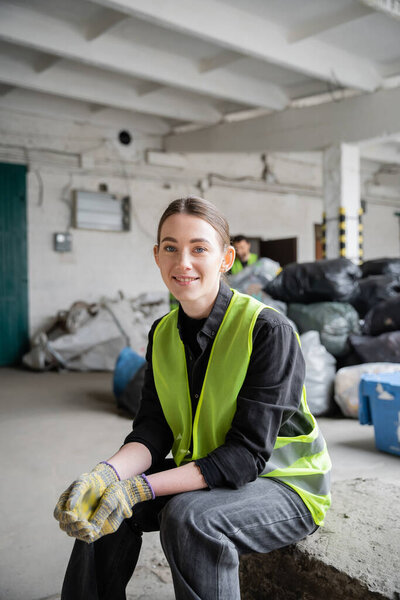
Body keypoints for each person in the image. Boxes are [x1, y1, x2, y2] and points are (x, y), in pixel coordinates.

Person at [54, 196, 331, 600]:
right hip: (207, 471)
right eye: (171, 247)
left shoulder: (268, 331)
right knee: (102, 504)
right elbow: (152, 430)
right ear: (157, 255)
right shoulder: (163, 333)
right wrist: (106, 476)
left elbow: (245, 456)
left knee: (188, 517)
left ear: (226, 258)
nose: (183, 262)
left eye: (199, 248)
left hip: (284, 485)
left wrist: (140, 489)